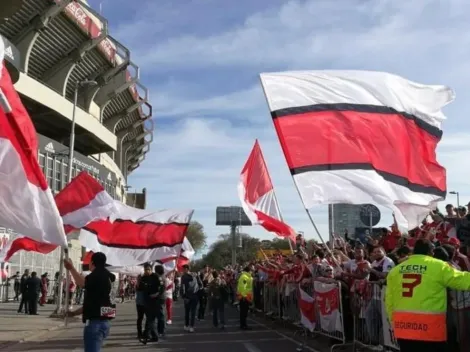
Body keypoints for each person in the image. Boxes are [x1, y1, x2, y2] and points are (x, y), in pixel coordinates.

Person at [385, 239, 470, 352]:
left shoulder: (395, 271)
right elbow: (463, 281)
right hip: (430, 329)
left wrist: (393, 321)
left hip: (403, 328)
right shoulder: (438, 266)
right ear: (431, 252)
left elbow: (389, 300)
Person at [65, 252, 116, 352]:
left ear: (92, 263)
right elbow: (96, 303)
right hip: (105, 321)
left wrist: (71, 268)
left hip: (95, 324)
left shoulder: (97, 275)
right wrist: (74, 313)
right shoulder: (110, 277)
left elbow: (82, 283)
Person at [180, 264, 201, 333]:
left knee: (187, 312)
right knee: (193, 312)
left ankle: (186, 325)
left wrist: (183, 296)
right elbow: (201, 285)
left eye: (183, 269)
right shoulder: (195, 275)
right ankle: (192, 327)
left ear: (186, 269)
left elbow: (182, 287)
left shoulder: (184, 277)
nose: (182, 270)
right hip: (195, 296)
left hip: (187, 297)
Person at [136, 267, 151, 339]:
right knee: (142, 318)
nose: (146, 271)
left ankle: (144, 333)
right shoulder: (142, 280)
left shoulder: (142, 280)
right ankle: (142, 333)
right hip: (143, 302)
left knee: (144, 318)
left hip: (142, 302)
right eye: (146, 270)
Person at [236, 266, 253, 330]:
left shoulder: (245, 276)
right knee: (244, 312)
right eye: (251, 270)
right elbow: (243, 287)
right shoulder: (244, 277)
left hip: (245, 297)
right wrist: (244, 296)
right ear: (249, 270)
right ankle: (243, 325)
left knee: (244, 312)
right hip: (244, 297)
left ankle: (243, 324)